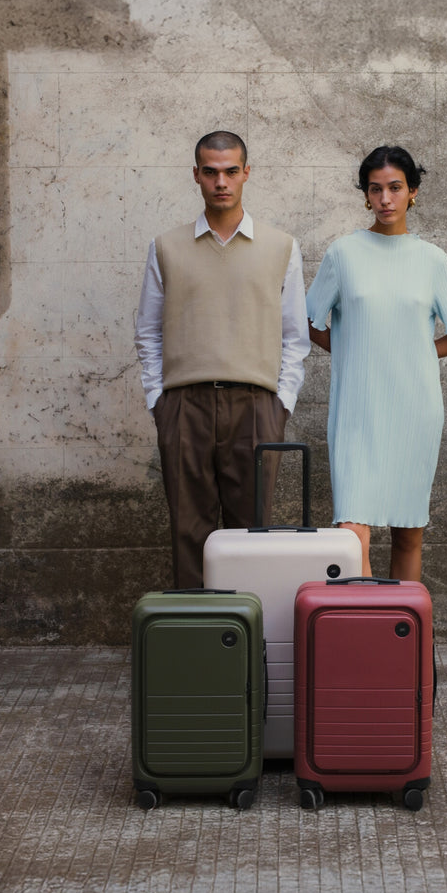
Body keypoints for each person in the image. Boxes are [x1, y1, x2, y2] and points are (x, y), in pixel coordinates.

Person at [134, 131, 310, 588]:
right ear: (196, 175)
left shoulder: (281, 247)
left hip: (256, 406)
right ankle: (198, 647)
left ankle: (246, 644)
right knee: (188, 531)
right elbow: (148, 331)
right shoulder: (166, 247)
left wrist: (281, 402)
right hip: (184, 405)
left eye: (231, 171)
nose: (221, 182)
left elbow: (295, 335)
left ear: (246, 173)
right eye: (210, 172)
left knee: (252, 534)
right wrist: (159, 399)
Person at [306, 145, 447, 581]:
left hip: (414, 408)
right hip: (357, 411)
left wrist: (416, 353)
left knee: (408, 533)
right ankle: (362, 634)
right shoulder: (343, 254)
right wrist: (354, 351)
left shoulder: (431, 259)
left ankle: (403, 641)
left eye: (395, 188)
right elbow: (306, 321)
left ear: (412, 193)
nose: (385, 199)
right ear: (366, 196)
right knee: (351, 532)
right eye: (375, 189)